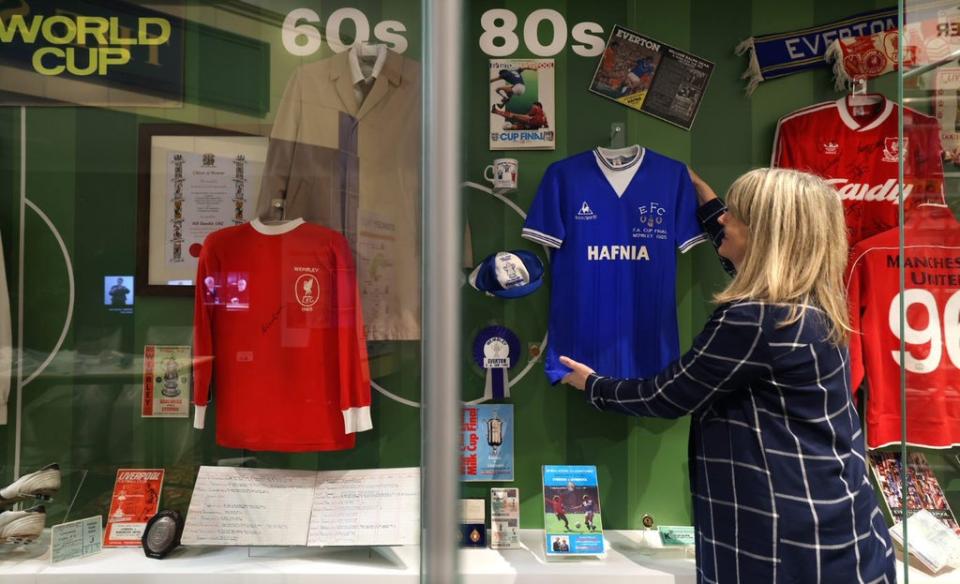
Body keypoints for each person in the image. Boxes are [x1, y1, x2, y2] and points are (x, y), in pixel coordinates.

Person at [559, 168, 896, 583]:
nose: (723, 220)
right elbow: (744, 265)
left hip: (785, 544)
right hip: (839, 527)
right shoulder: (806, 304)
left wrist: (593, 385)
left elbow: (667, 395)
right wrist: (708, 202)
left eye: (735, 214)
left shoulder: (757, 318)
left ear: (768, 234)